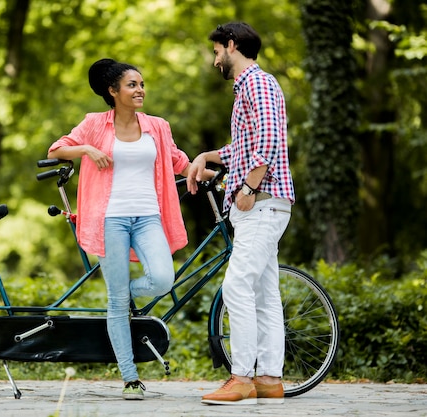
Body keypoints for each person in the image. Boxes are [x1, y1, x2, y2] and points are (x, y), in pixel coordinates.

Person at [48, 58, 214, 400]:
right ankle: (130, 378)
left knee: (162, 279)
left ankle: (120, 294)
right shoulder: (95, 124)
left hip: (149, 216)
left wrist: (220, 177)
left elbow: (179, 162)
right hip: (109, 218)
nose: (140, 90)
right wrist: (88, 149)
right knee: (116, 301)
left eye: (141, 84)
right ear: (113, 91)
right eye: (132, 85)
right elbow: (57, 148)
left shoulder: (157, 125)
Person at [186, 22, 295, 405]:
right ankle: (269, 379)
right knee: (265, 293)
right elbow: (244, 147)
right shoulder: (249, 88)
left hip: (261, 200)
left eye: (217, 50)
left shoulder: (257, 82)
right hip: (262, 201)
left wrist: (248, 187)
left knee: (236, 287)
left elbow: (268, 139)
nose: (215, 58)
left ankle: (242, 377)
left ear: (231, 45)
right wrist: (206, 156)